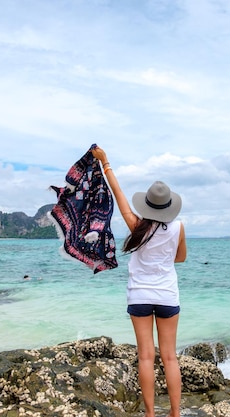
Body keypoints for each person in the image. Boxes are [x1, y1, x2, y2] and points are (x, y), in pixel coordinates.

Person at [92, 146, 187, 417]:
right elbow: (180, 259)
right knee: (170, 357)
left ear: (147, 204)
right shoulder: (179, 227)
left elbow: (117, 193)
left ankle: (149, 415)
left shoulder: (136, 225)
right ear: (169, 207)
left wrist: (106, 162)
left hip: (139, 296)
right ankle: (176, 414)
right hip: (167, 295)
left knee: (145, 356)